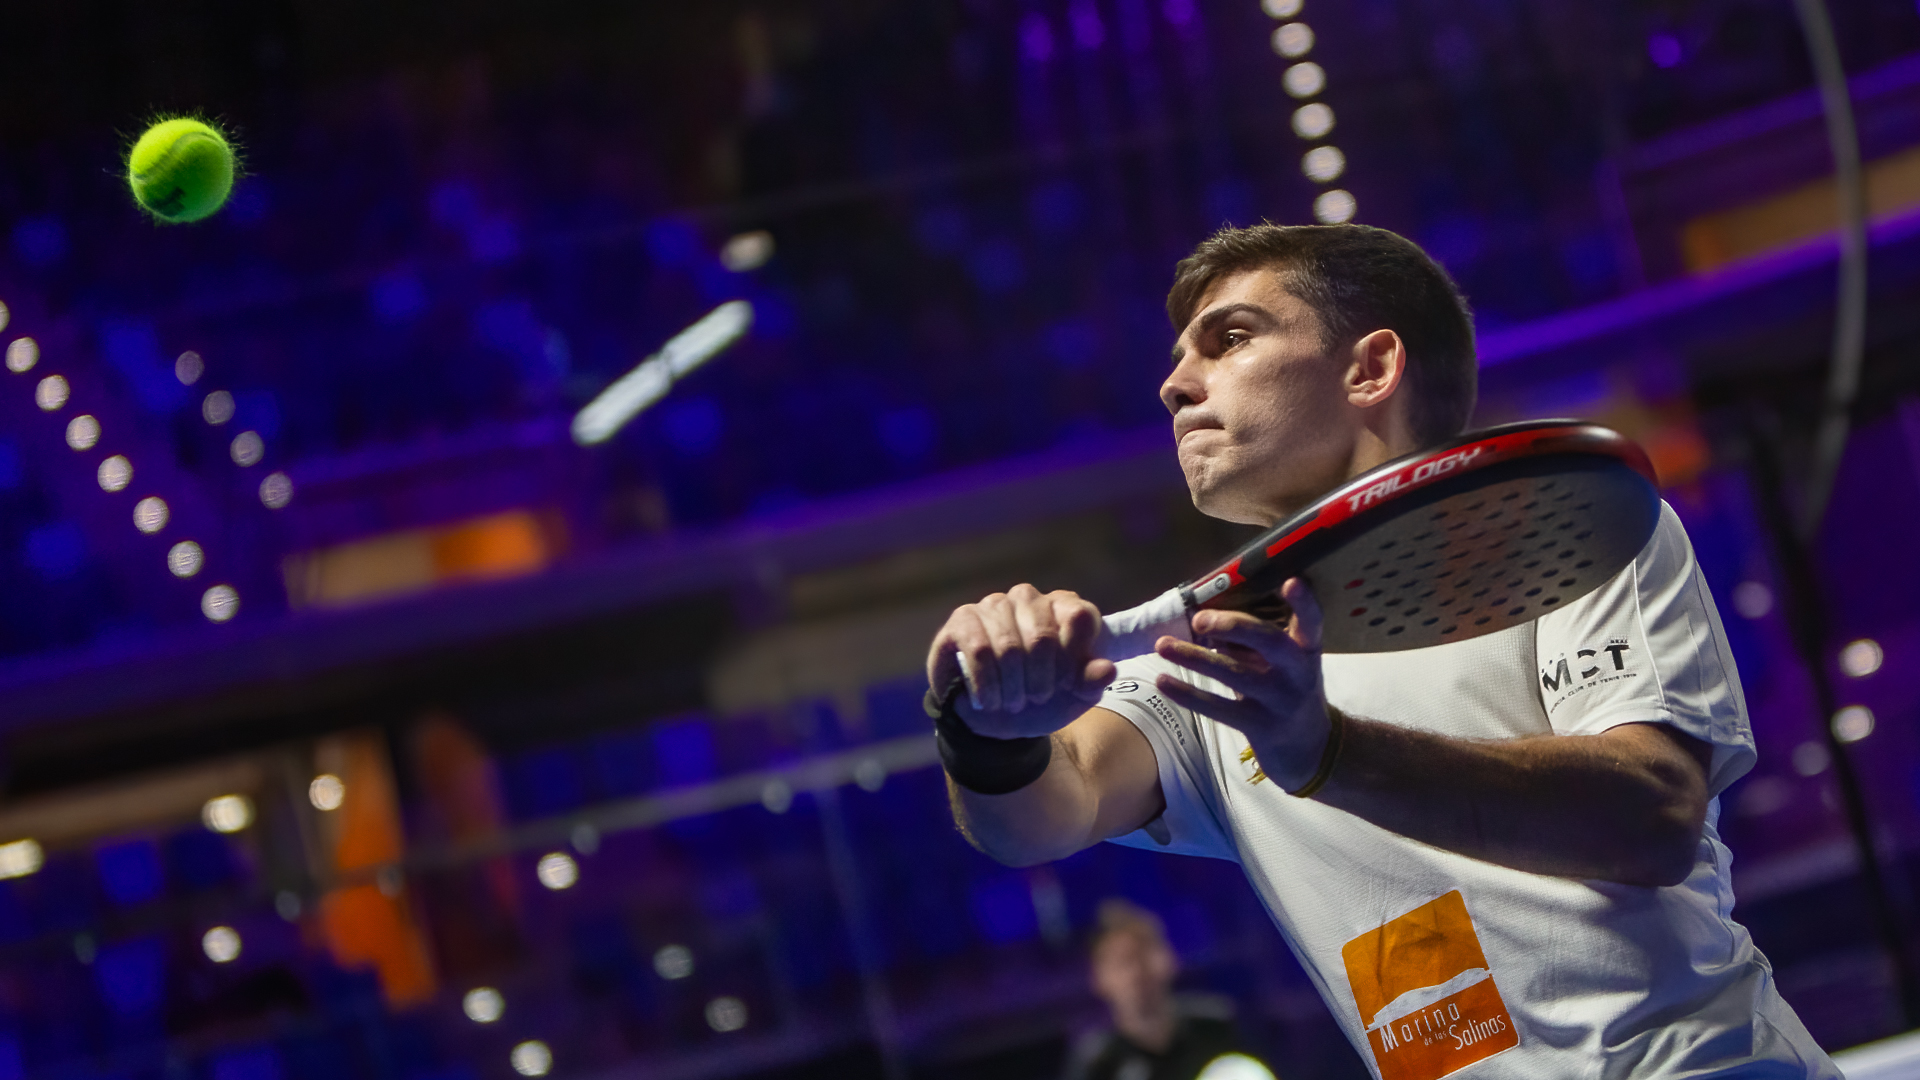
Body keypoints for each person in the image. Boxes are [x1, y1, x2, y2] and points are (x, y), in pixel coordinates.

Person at [925, 224, 1837, 1078]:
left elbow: (1652, 817)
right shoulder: (1211, 658)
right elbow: (1043, 815)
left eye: (1229, 339)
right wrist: (987, 730)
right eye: (1177, 360)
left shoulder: (1566, 533)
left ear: (1370, 367)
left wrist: (1327, 754)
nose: (1175, 386)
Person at [1064, 899, 1266, 1080]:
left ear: (1170, 958)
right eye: (1123, 962)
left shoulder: (1218, 1025)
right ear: (1099, 979)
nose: (1138, 973)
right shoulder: (1097, 1064)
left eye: (1144, 955)